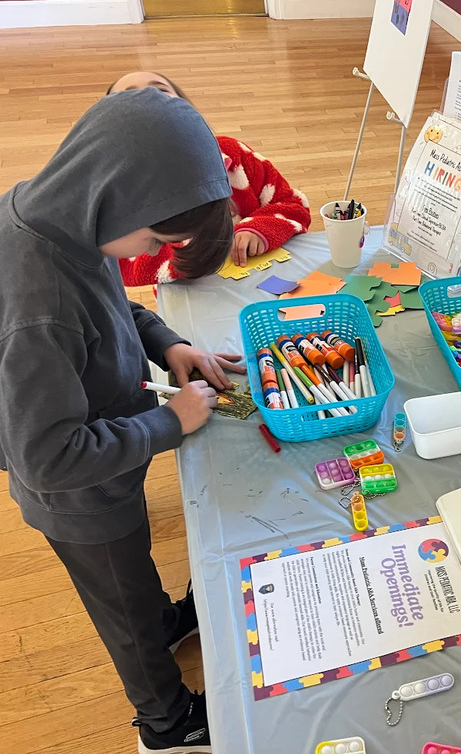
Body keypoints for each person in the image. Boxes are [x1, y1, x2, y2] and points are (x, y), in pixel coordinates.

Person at [0, 88, 247, 753]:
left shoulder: (67, 220)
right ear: (114, 201)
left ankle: (160, 619)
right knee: (124, 614)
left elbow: (116, 307)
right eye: (156, 240)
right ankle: (166, 723)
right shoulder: (39, 308)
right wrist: (171, 422)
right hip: (81, 496)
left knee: (132, 582)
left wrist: (168, 343)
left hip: (109, 460)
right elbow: (46, 458)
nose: (152, 252)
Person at [107, 70, 311, 284]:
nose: (149, 97)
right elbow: (123, 265)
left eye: (160, 90)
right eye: (129, 95)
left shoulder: (234, 154)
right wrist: (206, 250)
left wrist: (259, 229)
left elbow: (292, 205)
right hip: (192, 296)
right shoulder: (119, 187)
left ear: (185, 106)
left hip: (265, 282)